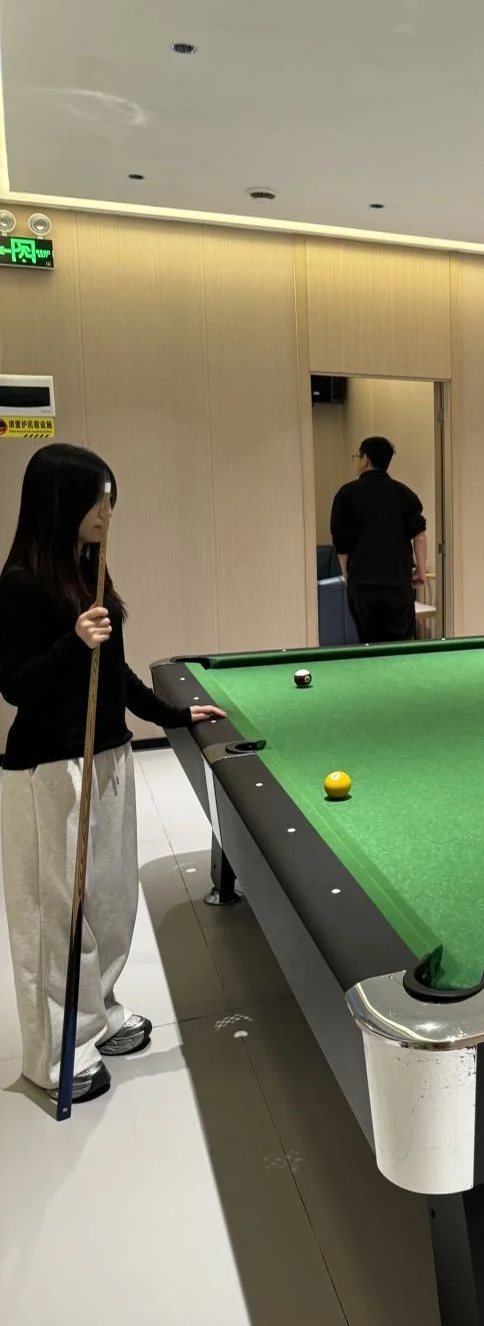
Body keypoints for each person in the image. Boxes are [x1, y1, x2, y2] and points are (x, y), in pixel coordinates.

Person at [0, 443, 225, 1104]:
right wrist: (73, 642)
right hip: (50, 768)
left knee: (108, 903)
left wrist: (171, 715)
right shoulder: (20, 583)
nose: (106, 514)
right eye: (96, 502)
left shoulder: (89, 567)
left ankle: (99, 1014)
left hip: (109, 756)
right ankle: (57, 1054)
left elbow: (113, 673)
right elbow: (14, 686)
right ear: (59, 503)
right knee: (58, 919)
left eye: (109, 501)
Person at [330, 435, 428, 644]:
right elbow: (419, 536)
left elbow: (341, 542)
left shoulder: (346, 494)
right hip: (398, 583)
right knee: (401, 643)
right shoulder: (404, 494)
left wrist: (347, 573)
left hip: (362, 583)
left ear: (366, 459)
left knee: (370, 642)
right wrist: (420, 570)